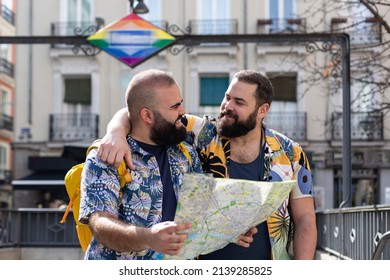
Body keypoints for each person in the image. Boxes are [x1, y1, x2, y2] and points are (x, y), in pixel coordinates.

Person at [97, 70, 317, 260]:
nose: (227, 106)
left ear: (262, 110)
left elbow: (305, 219)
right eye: (227, 97)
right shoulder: (200, 132)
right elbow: (143, 112)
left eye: (239, 102)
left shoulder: (291, 153)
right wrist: (115, 131)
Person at [79, 69, 255, 260]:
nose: (182, 112)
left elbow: (201, 212)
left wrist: (229, 229)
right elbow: (100, 224)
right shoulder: (107, 156)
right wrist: (149, 238)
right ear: (147, 116)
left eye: (181, 103)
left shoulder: (186, 153)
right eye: (174, 107)